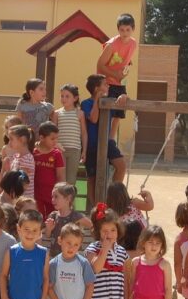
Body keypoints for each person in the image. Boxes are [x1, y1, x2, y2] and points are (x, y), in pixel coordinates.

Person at [81, 74, 127, 203]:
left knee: (121, 166)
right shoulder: (86, 103)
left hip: (107, 142)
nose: (108, 86)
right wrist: (97, 100)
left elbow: (116, 118)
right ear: (97, 89)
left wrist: (123, 96)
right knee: (93, 178)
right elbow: (94, 119)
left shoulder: (110, 101)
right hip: (92, 144)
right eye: (105, 84)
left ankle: (113, 196)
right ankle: (96, 207)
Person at [96, 13, 138, 140]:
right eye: (122, 30)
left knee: (119, 114)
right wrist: (116, 75)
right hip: (107, 82)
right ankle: (103, 140)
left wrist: (127, 66)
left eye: (128, 30)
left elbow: (125, 59)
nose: (125, 33)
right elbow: (100, 65)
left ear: (133, 29)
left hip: (120, 82)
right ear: (118, 29)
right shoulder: (111, 45)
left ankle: (110, 141)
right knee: (106, 113)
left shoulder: (133, 43)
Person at [51, 83, 87, 186]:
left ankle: (69, 202)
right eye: (62, 96)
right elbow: (53, 133)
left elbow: (84, 134)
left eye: (67, 96)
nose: (63, 98)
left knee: (71, 180)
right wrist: (56, 145)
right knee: (60, 180)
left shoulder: (80, 113)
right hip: (60, 150)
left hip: (75, 151)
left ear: (75, 98)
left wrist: (84, 151)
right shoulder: (57, 113)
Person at [44, 183, 91, 257]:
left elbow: (92, 226)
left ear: (68, 198)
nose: (53, 200)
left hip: (72, 257)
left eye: (56, 197)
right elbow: (47, 235)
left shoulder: (76, 216)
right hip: (55, 257)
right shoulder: (53, 215)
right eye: (52, 197)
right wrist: (49, 229)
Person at [33, 122, 66, 218]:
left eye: (56, 138)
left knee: (52, 219)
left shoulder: (57, 154)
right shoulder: (32, 152)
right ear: (42, 138)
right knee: (38, 219)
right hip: (36, 195)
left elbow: (61, 176)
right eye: (52, 139)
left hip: (52, 196)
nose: (55, 141)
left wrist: (60, 194)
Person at [3, 124, 36, 199]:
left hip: (24, 200)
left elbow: (22, 183)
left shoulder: (27, 159)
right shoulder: (16, 156)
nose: (9, 143)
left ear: (22, 139)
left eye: (11, 139)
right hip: (17, 198)